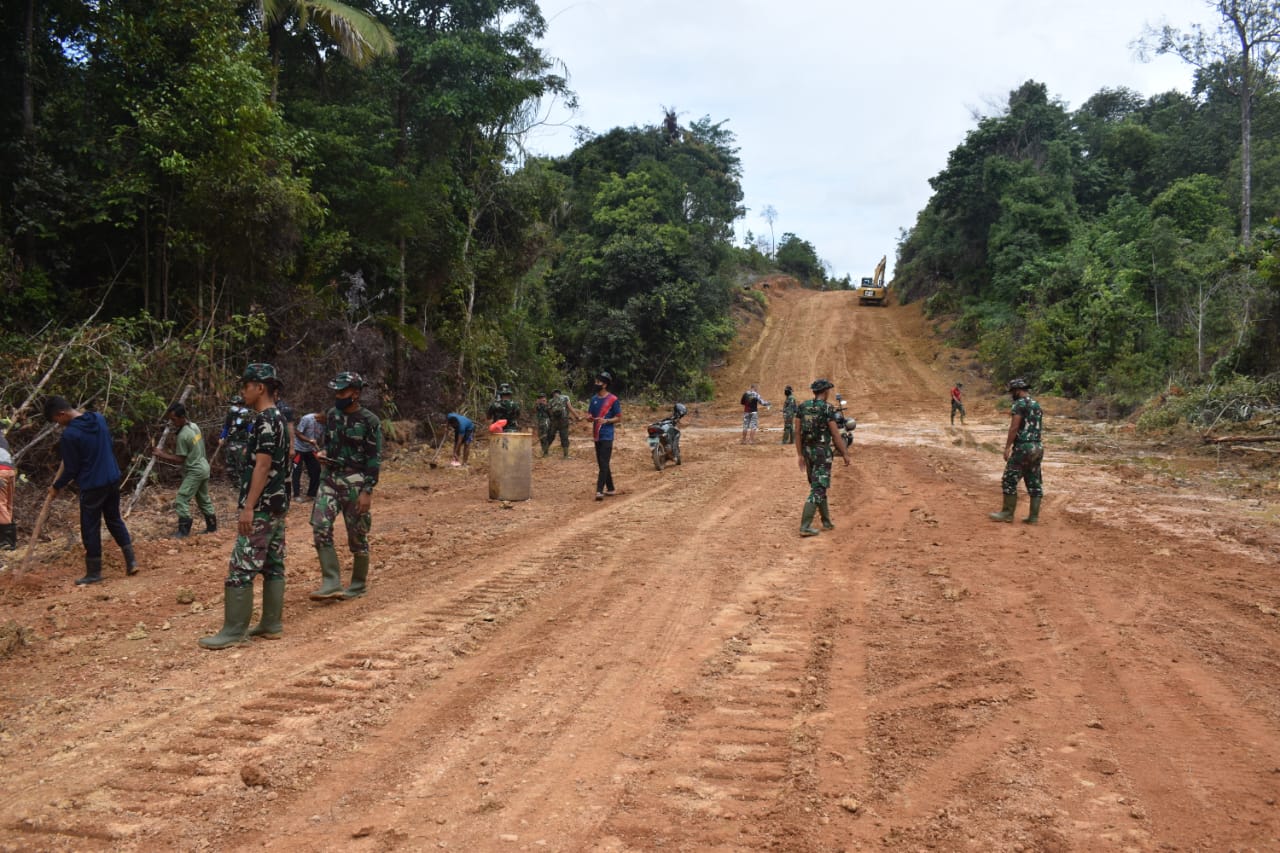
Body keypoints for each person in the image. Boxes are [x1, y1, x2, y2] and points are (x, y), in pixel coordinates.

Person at [200, 364, 291, 648]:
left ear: (259, 387)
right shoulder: (279, 418)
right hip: (277, 503)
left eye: (245, 386)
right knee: (273, 565)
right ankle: (271, 624)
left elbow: (262, 466)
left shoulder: (265, 420)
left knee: (241, 568)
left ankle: (233, 631)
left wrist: (248, 507)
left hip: (262, 506)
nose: (243, 392)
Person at [43, 396, 137, 584]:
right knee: (114, 519)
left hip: (93, 484)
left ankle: (94, 572)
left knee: (90, 527)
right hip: (111, 478)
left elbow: (71, 468)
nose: (59, 425)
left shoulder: (70, 435)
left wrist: (56, 487)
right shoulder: (99, 418)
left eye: (56, 421)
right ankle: (131, 561)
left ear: (61, 414)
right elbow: (107, 445)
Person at [310, 371, 382, 602]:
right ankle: (331, 581)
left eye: (343, 391)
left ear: (356, 393)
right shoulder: (332, 415)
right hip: (330, 478)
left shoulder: (370, 421)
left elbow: (374, 459)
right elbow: (329, 444)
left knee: (357, 536)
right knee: (320, 526)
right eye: (336, 392)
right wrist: (323, 454)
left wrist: (367, 490)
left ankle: (358, 583)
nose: (338, 396)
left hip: (356, 482)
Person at [794, 378, 851, 537]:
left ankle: (826, 521)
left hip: (807, 452)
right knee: (818, 488)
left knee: (819, 486)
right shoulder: (827, 408)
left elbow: (797, 432)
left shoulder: (803, 407)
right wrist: (845, 453)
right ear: (825, 392)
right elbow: (835, 434)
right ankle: (805, 527)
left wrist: (799, 454)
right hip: (821, 453)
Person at [151, 402, 216, 538]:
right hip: (204, 466)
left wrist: (161, 454)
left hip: (195, 470)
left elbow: (180, 459)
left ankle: (184, 530)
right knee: (203, 498)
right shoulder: (194, 426)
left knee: (181, 498)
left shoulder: (183, 435)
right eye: (170, 419)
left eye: (174, 419)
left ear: (182, 417)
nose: (172, 422)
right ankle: (212, 527)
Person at [989, 377, 1044, 524]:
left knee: (1009, 479)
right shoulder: (1036, 404)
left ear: (1018, 390)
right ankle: (1033, 517)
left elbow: (1014, 427)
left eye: (1013, 391)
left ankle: (1007, 513)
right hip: (1037, 447)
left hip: (1023, 447)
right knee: (1033, 481)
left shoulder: (1019, 404)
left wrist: (1007, 447)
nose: (1011, 394)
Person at [588, 371, 621, 500]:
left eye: (598, 382)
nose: (596, 384)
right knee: (602, 463)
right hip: (596, 435)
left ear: (605, 385)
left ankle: (599, 491)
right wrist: (589, 418)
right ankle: (611, 488)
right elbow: (590, 414)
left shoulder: (613, 400)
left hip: (607, 435)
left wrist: (606, 421)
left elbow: (618, 418)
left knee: (603, 462)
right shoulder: (594, 399)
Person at [216, 395, 253, 485]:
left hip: (242, 444)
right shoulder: (231, 415)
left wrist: (249, 446)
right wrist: (222, 437)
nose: (233, 406)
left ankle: (244, 486)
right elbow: (226, 427)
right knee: (230, 466)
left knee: (242, 466)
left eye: (235, 404)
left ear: (240, 405)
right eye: (232, 404)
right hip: (231, 443)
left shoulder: (246, 416)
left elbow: (251, 431)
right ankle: (235, 485)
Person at [291, 410, 327, 501]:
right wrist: (309, 440)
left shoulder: (324, 423)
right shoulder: (307, 419)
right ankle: (296, 495)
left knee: (316, 470)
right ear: (322, 416)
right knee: (296, 470)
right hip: (298, 448)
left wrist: (321, 449)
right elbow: (298, 433)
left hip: (311, 450)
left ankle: (311, 494)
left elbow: (322, 438)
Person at [547, 389, 579, 458]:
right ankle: (566, 456)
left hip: (554, 421)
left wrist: (552, 419)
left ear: (553, 394)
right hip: (563, 420)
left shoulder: (550, 400)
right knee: (564, 436)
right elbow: (570, 408)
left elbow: (549, 411)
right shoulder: (565, 397)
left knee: (551, 436)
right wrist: (577, 416)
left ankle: (545, 453)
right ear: (560, 393)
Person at [0, 419, 15, 551]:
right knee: (8, 504)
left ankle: (6, 541)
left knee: (0, 505)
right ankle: (10, 541)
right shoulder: (3, 440)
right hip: (10, 471)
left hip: (1, 472)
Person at [535, 392, 553, 456]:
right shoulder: (538, 405)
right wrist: (537, 404)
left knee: (545, 436)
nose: (541, 399)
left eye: (542, 398)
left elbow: (550, 414)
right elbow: (534, 411)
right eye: (540, 398)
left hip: (546, 422)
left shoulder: (547, 405)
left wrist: (545, 404)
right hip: (540, 422)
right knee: (541, 436)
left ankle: (546, 452)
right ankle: (544, 450)